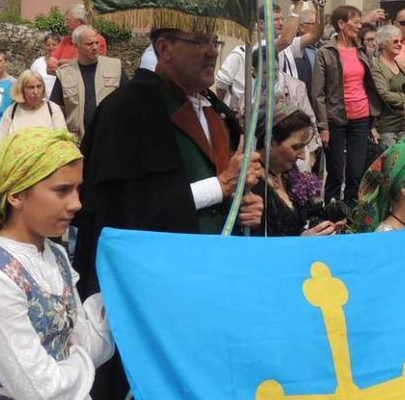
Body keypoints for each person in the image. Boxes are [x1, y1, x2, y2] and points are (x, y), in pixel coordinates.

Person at [73, 27, 265, 399]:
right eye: (200, 43)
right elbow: (121, 210)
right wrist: (219, 188)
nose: (211, 53)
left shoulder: (215, 110)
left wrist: (242, 204)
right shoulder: (126, 110)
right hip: (154, 287)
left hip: (211, 279)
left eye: (215, 42)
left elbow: (223, 186)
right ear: (164, 48)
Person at [0, 128, 114, 399]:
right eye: (62, 190)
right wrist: (78, 360)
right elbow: (41, 390)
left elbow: (83, 342)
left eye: (78, 189)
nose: (76, 203)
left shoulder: (55, 254)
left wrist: (120, 298)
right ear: (16, 195)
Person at [312, 5, 382, 207]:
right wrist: (323, 126)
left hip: (361, 118)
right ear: (341, 24)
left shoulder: (361, 51)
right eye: (356, 22)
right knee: (335, 171)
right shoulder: (325, 53)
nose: (360, 27)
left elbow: (368, 85)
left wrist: (372, 122)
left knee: (356, 172)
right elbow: (318, 93)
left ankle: (351, 215)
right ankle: (331, 214)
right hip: (336, 119)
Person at [251, 105, 338, 236]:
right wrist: (301, 240)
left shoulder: (288, 174)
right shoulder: (251, 186)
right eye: (296, 147)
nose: (302, 156)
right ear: (271, 141)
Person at [50, 25, 127, 141]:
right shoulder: (65, 73)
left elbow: (128, 101)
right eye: (89, 44)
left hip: (109, 138)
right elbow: (57, 109)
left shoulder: (115, 67)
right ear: (77, 46)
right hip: (77, 141)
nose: (95, 47)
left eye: (97, 42)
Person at [0, 69, 66, 146]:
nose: (36, 92)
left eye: (39, 86)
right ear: (21, 89)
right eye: (31, 87)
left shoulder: (53, 109)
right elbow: (0, 142)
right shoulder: (12, 111)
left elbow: (63, 138)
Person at [371, 24, 405, 149]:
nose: (399, 44)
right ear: (383, 44)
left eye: (401, 41)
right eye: (395, 41)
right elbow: (384, 94)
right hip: (386, 127)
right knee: (391, 165)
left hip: (404, 124)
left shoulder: (400, 65)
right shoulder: (376, 65)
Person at [47, 3, 108, 73]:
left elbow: (93, 66)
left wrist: (63, 62)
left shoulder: (97, 40)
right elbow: (50, 68)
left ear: (80, 22)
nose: (65, 24)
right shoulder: (66, 40)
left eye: (68, 20)